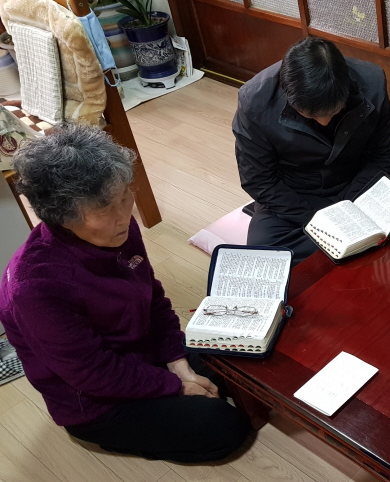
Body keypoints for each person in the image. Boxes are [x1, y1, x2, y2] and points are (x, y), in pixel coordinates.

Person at [0, 125, 251, 463]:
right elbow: (93, 374)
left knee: (244, 363)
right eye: (105, 210)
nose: (123, 217)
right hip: (97, 397)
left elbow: (153, 297)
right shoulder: (36, 288)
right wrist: (176, 385)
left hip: (143, 353)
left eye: (124, 198)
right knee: (226, 427)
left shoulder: (118, 230)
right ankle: (118, 435)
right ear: (62, 218)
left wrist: (177, 361)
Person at [234, 36, 390, 263]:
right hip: (294, 195)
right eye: (311, 116)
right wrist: (322, 216)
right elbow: (259, 180)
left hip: (355, 186)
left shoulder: (372, 82)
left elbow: (382, 153)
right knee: (265, 256)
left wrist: (350, 204)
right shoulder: (255, 100)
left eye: (333, 113)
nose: (324, 122)